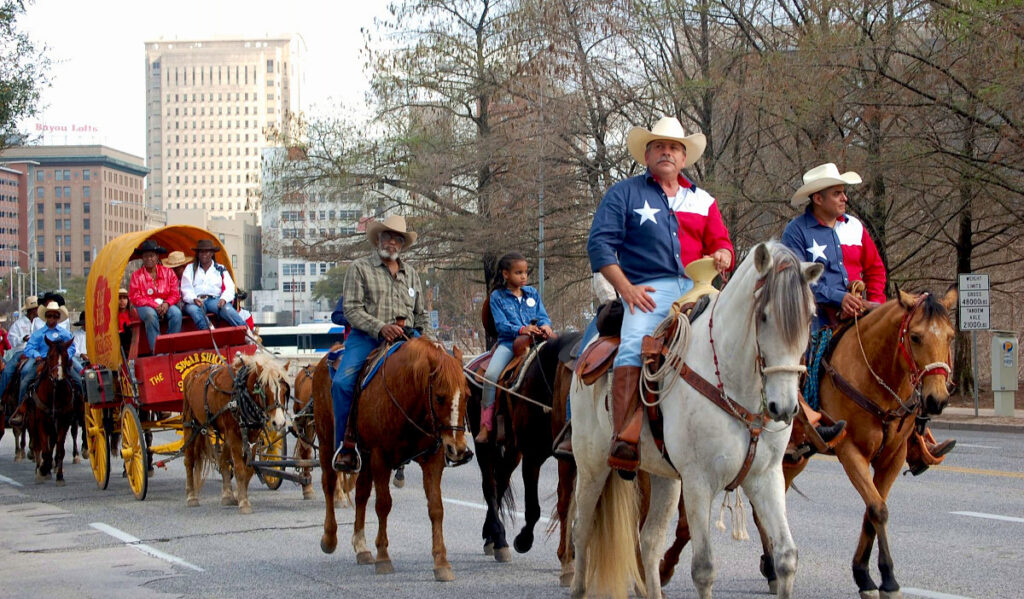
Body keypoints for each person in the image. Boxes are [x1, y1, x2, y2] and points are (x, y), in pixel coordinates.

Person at [584, 116, 734, 475]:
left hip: (700, 286)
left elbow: (722, 243)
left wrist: (725, 256)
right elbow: (600, 244)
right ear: (647, 156)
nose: (667, 152)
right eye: (659, 147)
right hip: (648, 289)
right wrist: (626, 288)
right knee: (635, 341)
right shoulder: (625, 193)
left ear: (684, 158)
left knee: (734, 335)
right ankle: (625, 436)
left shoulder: (704, 201)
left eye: (674, 148)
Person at [782, 163, 952, 471]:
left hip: (861, 313)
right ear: (817, 199)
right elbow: (796, 277)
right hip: (816, 316)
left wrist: (873, 304)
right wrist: (837, 298)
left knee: (902, 350)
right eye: (837, 193)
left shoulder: (855, 227)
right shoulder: (796, 232)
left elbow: (875, 269)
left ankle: (915, 432)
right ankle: (801, 428)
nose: (844, 198)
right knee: (799, 360)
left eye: (844, 193)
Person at [331, 215, 431, 472]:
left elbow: (421, 314)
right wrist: (380, 327)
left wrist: (425, 338)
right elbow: (351, 309)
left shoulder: (411, 274)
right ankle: (346, 445)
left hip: (408, 338)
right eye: (388, 237)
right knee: (342, 383)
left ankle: (438, 438)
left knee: (441, 374)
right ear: (378, 239)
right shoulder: (360, 268)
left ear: (402, 244)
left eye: (398, 239)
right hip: (367, 338)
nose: (393, 243)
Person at [476, 252, 555, 443]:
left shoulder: (533, 294)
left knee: (560, 362)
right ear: (505, 274)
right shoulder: (497, 297)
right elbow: (501, 325)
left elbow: (542, 315)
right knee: (491, 376)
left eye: (525, 272)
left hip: (538, 339)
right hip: (510, 343)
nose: (523, 276)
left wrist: (545, 326)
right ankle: (486, 425)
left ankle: (562, 416)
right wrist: (522, 329)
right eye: (518, 272)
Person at [8, 301, 84, 427]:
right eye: (49, 316)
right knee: (26, 376)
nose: (52, 319)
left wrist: (66, 357)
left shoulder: (65, 333)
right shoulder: (38, 334)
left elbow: (72, 348)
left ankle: (82, 408)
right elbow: (29, 348)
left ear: (58, 318)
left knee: (80, 376)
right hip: (42, 360)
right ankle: (21, 409)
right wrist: (36, 355)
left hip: (61, 361)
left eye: (55, 316)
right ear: (46, 317)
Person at [179, 239, 247, 330]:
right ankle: (208, 330)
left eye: (206, 252)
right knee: (193, 310)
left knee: (228, 310)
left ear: (212, 253)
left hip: (214, 300)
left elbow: (230, 287)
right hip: (196, 300)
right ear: (198, 254)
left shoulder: (220, 268)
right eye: (201, 252)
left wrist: (224, 299)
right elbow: (186, 288)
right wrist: (193, 299)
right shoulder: (190, 268)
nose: (204, 255)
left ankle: (246, 331)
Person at [129, 239, 183, 352]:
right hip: (145, 306)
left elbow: (175, 293)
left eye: (152, 256)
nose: (149, 259)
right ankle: (157, 350)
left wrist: (167, 303)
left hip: (165, 303)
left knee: (177, 313)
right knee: (150, 315)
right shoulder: (136, 276)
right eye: (146, 256)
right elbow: (135, 297)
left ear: (157, 256)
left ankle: (170, 347)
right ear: (142, 258)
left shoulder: (168, 272)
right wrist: (154, 304)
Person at [0, 296, 41, 400]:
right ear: (32, 310)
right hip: (21, 351)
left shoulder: (40, 323)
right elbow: (11, 339)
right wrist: (22, 339)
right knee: (7, 372)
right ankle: (1, 398)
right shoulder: (18, 324)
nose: (38, 310)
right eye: (37, 308)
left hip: (36, 352)